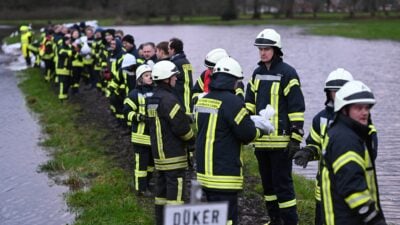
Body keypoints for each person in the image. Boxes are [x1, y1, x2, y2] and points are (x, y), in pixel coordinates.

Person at [194, 57, 274, 225]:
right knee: (227, 219)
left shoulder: (204, 100)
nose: (238, 85)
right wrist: (262, 129)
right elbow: (247, 134)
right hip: (224, 175)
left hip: (204, 173)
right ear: (232, 80)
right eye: (238, 81)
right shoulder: (233, 102)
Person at [245, 28, 305, 225]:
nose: (262, 53)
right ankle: (275, 220)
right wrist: (246, 128)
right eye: (260, 49)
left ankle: (290, 222)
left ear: (276, 49)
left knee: (283, 186)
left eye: (266, 49)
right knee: (268, 187)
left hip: (281, 143)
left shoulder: (288, 73)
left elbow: (296, 108)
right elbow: (249, 104)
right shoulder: (257, 73)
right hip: (261, 142)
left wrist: (295, 139)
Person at [293, 68, 355, 225]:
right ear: (328, 93)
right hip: (324, 190)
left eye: (341, 91)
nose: (337, 95)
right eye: (334, 91)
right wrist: (308, 152)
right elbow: (316, 146)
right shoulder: (320, 118)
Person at [319, 80, 386, 225]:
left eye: (367, 108)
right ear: (344, 109)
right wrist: (372, 217)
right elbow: (351, 185)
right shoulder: (345, 139)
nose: (365, 112)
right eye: (358, 108)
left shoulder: (346, 132)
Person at [146, 60, 195, 225]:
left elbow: (162, 121)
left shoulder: (153, 99)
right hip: (173, 155)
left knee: (161, 194)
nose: (176, 79)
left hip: (159, 156)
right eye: (174, 76)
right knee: (176, 194)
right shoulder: (169, 99)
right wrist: (192, 141)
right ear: (167, 78)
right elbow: (181, 128)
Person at [123, 64, 154, 197]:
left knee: (151, 164)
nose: (150, 77)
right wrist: (138, 117)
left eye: (151, 74)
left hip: (153, 136)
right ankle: (140, 189)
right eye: (146, 75)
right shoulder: (134, 94)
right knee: (141, 164)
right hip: (140, 137)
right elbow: (126, 112)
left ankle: (146, 182)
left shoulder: (156, 91)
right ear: (140, 79)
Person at [168, 37, 194, 115]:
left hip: (180, 92)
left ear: (173, 50)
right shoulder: (185, 61)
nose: (168, 51)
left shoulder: (175, 63)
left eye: (169, 48)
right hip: (187, 91)